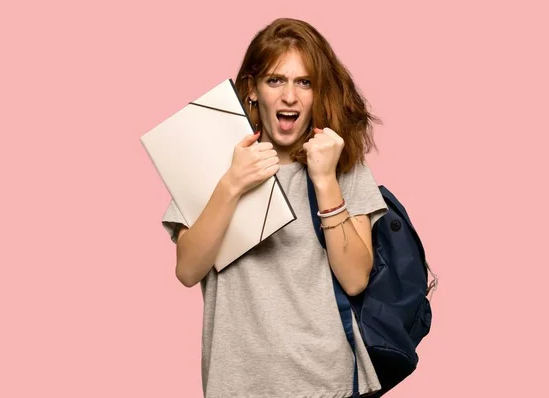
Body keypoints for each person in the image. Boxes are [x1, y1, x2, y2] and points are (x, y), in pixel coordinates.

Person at [161, 17, 389, 398]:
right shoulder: (214, 161)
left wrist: (325, 180)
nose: (289, 96)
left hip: (327, 381)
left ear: (319, 92)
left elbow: (354, 279)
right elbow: (188, 270)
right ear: (252, 90)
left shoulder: (342, 163)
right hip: (237, 382)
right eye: (275, 80)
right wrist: (232, 184)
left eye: (305, 82)